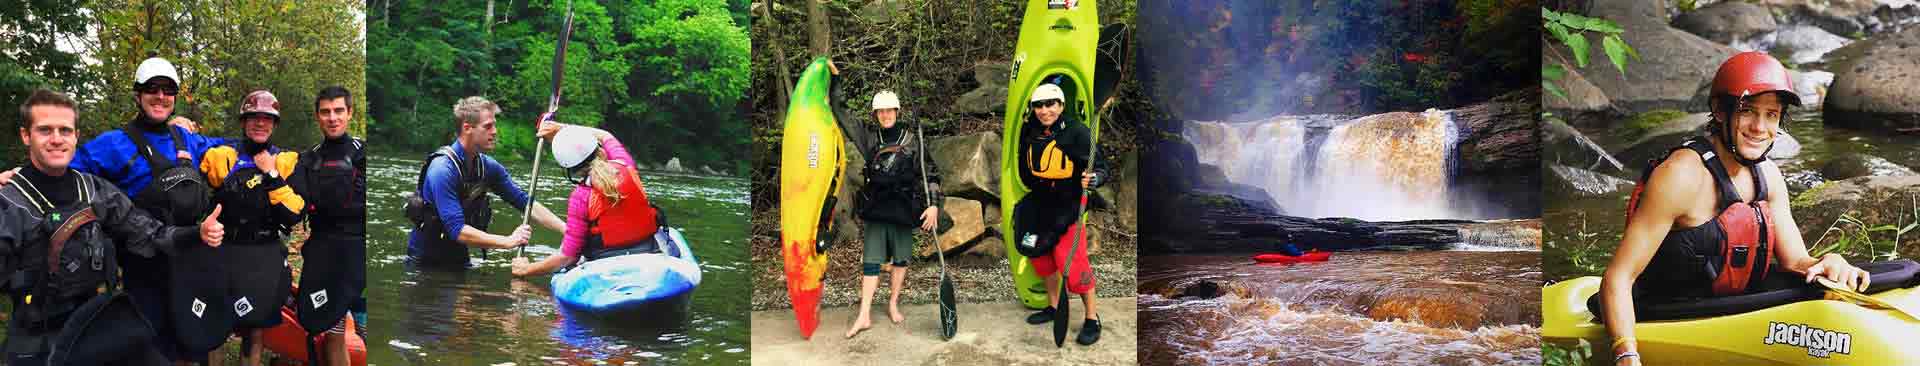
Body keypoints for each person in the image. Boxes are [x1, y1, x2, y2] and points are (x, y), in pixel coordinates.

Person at [1599, 52, 1873, 366]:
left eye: (1771, 114)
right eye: (1747, 111)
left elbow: (1796, 260)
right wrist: (1626, 353)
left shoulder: (1768, 174)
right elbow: (1619, 277)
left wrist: (1828, 261)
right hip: (1667, 310)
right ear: (1719, 110)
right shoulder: (1681, 176)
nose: (1760, 127)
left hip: (1731, 304)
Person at [1, 88, 224, 365]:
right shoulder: (10, 202)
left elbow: (149, 233)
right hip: (38, 340)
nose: (57, 139)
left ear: (76, 136)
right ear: (26, 136)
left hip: (97, 321)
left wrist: (197, 233)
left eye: (65, 130)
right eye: (45, 130)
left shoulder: (94, 190)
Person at [193, 90, 304, 365]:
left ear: (275, 125)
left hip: (263, 251)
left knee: (255, 325)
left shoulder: (285, 162)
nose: (260, 123)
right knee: (214, 321)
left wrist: (271, 174)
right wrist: (181, 126)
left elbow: (293, 213)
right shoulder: (222, 156)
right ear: (243, 121)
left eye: (267, 119)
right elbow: (185, 146)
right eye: (253, 117)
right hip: (223, 248)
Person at [404, 96, 566, 270]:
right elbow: (457, 230)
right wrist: (508, 241)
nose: (495, 131)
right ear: (467, 128)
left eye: (494, 125)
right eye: (488, 126)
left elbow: (524, 202)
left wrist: (569, 231)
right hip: (425, 264)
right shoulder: (442, 169)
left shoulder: (488, 167)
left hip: (459, 258)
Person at [1012, 83, 1111, 346]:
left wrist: (1095, 178)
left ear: (1061, 106)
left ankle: (1092, 318)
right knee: (1040, 256)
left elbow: (1101, 167)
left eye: (1050, 104)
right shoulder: (1030, 130)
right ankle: (1054, 306)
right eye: (1039, 106)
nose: (1045, 111)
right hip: (1040, 203)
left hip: (1068, 205)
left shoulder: (1078, 132)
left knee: (1072, 261)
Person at [842, 90, 942, 339]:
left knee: (901, 259)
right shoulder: (869, 138)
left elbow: (930, 174)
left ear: (897, 112)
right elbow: (843, 115)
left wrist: (934, 205)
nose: (885, 115)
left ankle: (893, 303)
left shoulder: (912, 140)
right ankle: (864, 314)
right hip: (877, 207)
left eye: (889, 110)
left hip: (903, 208)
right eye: (881, 111)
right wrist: (834, 82)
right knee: (871, 261)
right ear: (876, 114)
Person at [510, 120, 661, 277]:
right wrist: (562, 128)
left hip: (605, 264)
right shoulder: (626, 165)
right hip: (647, 250)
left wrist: (527, 269)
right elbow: (605, 136)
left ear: (570, 170)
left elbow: (568, 257)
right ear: (599, 150)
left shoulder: (581, 196)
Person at [287, 85, 367, 366]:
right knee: (326, 326)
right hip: (322, 247)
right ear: (317, 117)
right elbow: (294, 205)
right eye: (325, 112)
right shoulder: (308, 159)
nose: (332, 118)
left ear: (350, 114)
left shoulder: (364, 154)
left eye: (338, 111)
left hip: (358, 249)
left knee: (363, 326)